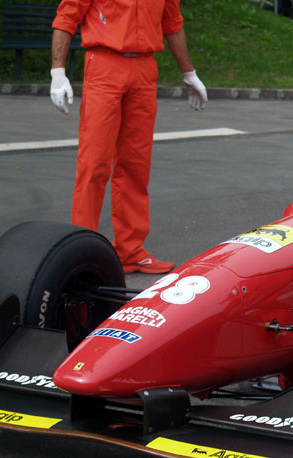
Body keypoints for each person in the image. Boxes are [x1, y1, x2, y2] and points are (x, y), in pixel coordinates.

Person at [50, 0, 208, 274]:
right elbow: (66, 16)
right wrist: (57, 71)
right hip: (104, 65)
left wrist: (189, 73)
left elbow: (172, 24)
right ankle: (80, 252)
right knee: (94, 163)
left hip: (145, 71)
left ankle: (130, 250)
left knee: (135, 164)